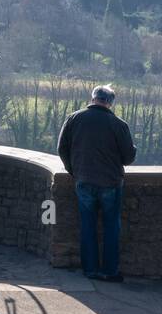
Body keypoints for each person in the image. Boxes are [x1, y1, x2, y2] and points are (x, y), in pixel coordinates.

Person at [57, 85, 137, 282]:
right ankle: (109, 271)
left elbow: (62, 148)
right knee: (111, 227)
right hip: (110, 182)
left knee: (87, 225)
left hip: (83, 179)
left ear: (93, 98)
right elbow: (128, 157)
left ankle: (90, 269)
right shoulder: (119, 124)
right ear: (110, 102)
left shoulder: (74, 118)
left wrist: (73, 171)